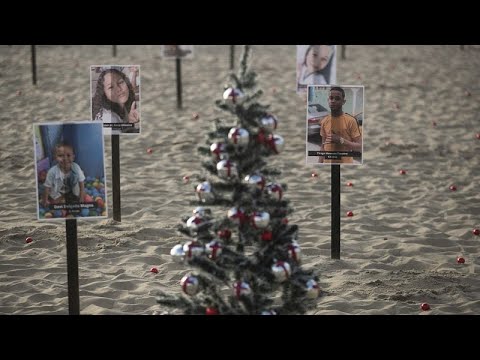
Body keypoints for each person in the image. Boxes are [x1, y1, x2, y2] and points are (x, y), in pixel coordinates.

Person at [319, 86, 362, 164]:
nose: (333, 101)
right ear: (328, 100)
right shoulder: (324, 121)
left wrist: (341, 140)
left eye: (337, 98)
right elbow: (323, 146)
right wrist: (319, 164)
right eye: (331, 98)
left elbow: (360, 147)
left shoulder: (351, 121)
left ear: (343, 101)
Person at [92, 67, 140, 134]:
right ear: (104, 93)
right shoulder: (110, 118)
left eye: (120, 82)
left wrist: (129, 122)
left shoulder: (120, 106)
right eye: (111, 87)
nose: (119, 89)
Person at [42, 141, 86, 208]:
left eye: (68, 155)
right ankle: (64, 195)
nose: (65, 158)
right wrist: (45, 200)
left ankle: (70, 194)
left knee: (82, 196)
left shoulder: (76, 168)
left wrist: (81, 196)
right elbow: (47, 186)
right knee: (53, 203)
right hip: (59, 189)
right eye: (60, 156)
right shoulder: (52, 171)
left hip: (72, 186)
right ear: (55, 157)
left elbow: (81, 182)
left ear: (73, 157)